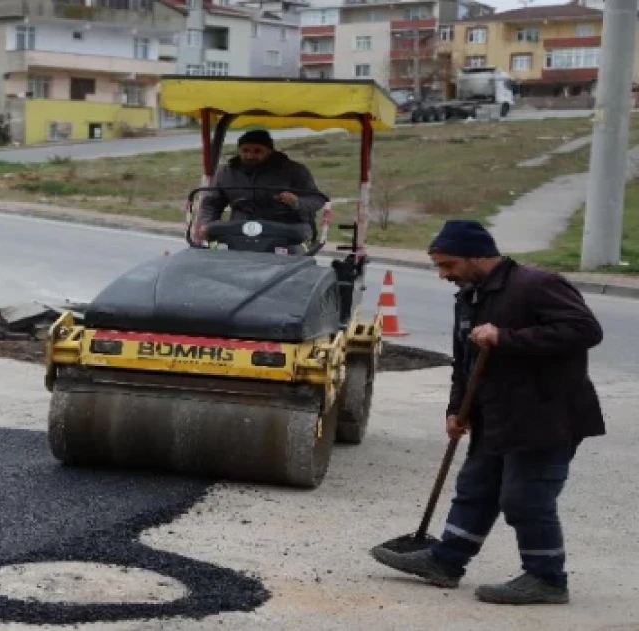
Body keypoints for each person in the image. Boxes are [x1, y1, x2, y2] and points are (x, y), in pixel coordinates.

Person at [371, 219, 605, 605]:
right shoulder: (470, 297)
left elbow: (585, 330)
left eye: (448, 265)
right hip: (494, 414)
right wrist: (456, 410)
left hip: (547, 414)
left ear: (478, 256)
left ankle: (547, 579)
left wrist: (507, 338)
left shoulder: (536, 285)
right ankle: (446, 561)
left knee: (525, 498)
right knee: (476, 489)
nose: (443, 275)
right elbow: (463, 359)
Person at [196, 129, 327, 238]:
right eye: (245, 150)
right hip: (241, 230)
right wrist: (207, 224)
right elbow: (211, 203)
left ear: (270, 151)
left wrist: (296, 201)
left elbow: (316, 199)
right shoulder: (226, 172)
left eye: (257, 151)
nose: (250, 156)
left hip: (284, 230)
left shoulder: (293, 170)